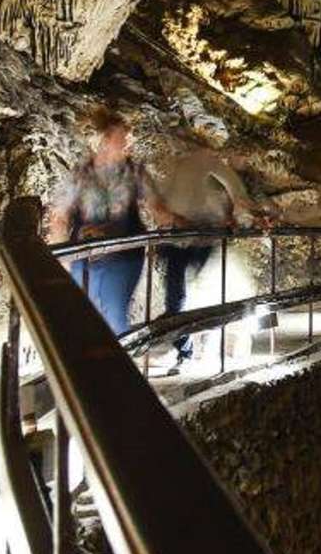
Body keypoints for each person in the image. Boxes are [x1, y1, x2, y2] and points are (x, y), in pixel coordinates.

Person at [45, 108, 163, 336]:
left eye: (130, 138)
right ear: (106, 140)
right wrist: (63, 257)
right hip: (84, 255)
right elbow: (59, 216)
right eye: (124, 138)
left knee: (114, 313)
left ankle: (115, 368)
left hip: (124, 255)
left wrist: (177, 222)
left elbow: (157, 207)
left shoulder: (135, 172)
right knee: (81, 315)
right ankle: (83, 368)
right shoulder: (81, 174)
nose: (129, 143)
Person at [153, 145, 268, 373]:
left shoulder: (190, 167)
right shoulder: (200, 167)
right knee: (180, 296)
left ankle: (182, 344)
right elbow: (238, 198)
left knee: (182, 295)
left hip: (192, 239)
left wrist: (250, 217)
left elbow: (237, 199)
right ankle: (180, 344)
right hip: (188, 238)